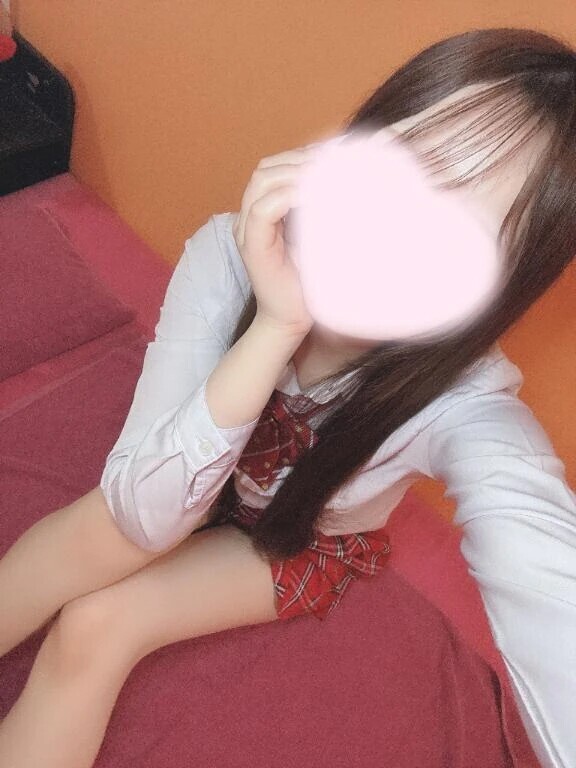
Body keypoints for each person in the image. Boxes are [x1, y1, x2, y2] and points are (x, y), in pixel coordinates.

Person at [0, 26, 575, 768]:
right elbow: (141, 514)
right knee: (82, 535)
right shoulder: (229, 257)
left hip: (296, 538)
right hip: (188, 483)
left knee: (97, 623)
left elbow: (543, 572)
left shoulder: (466, 403)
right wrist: (276, 327)